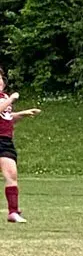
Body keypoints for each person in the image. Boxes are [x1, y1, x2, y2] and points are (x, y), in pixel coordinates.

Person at [0, 66, 41, 223]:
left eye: (1, 79)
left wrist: (22, 114)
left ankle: (13, 212)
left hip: (5, 141)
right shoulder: (6, 99)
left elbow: (6, 117)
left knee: (11, 174)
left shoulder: (3, 97)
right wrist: (11, 99)